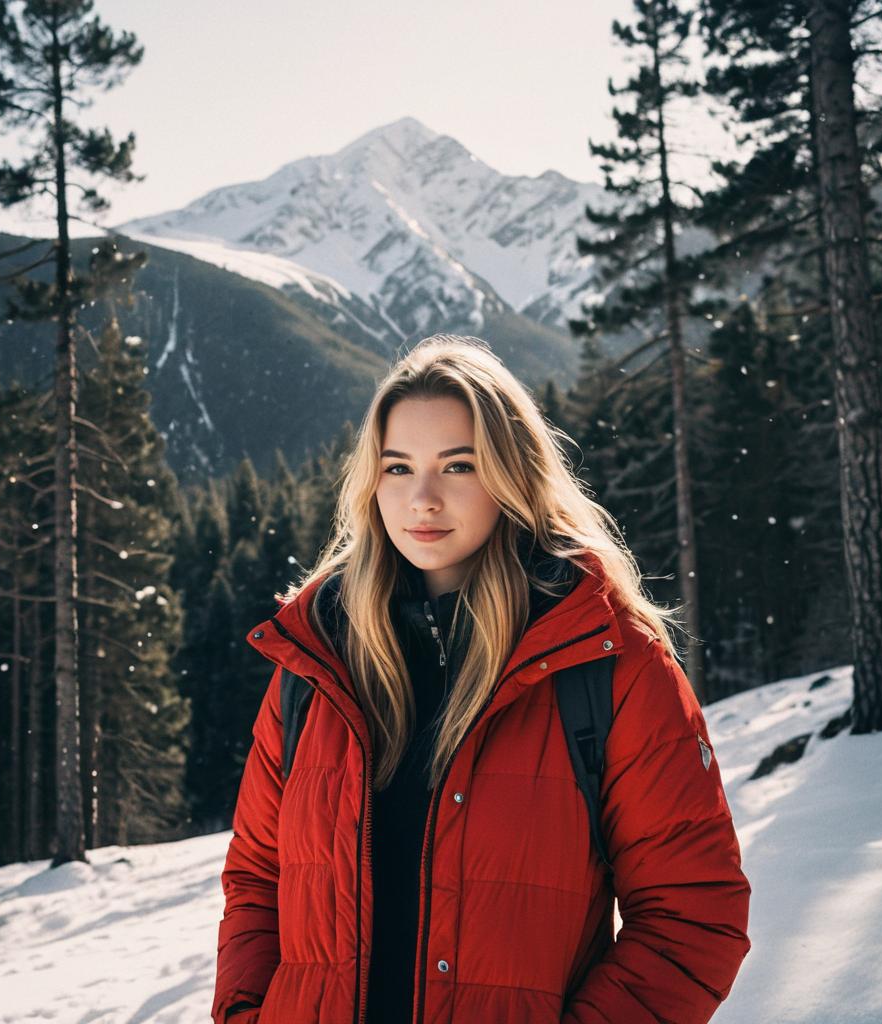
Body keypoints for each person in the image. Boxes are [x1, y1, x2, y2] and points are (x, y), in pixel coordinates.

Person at [210, 335, 751, 1024]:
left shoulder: (606, 659)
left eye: (458, 466)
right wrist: (247, 1013)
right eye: (398, 467)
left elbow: (694, 911)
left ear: (511, 474)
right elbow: (259, 879)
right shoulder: (317, 656)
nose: (423, 499)